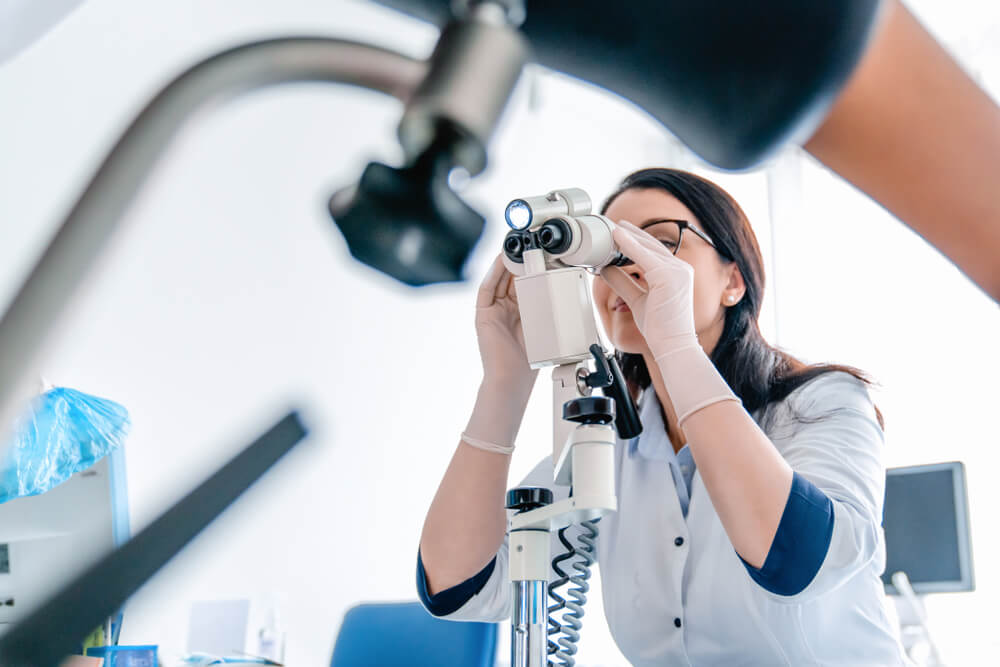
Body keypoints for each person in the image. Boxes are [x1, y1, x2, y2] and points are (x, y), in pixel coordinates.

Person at [417, 168, 909, 665]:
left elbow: (799, 562)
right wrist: (504, 383)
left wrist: (674, 344)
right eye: (608, 253)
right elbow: (458, 588)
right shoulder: (605, 444)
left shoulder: (823, 404)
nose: (627, 267)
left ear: (732, 281)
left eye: (659, 242)